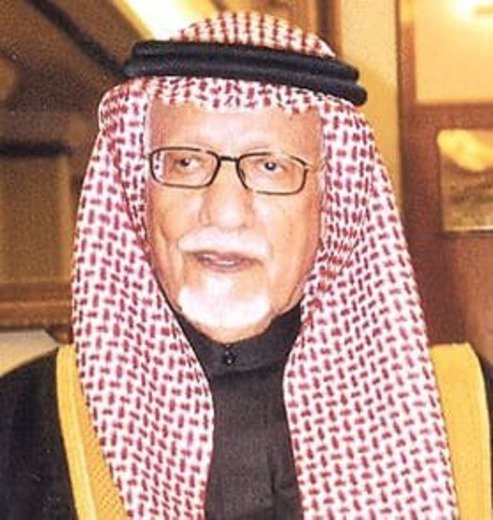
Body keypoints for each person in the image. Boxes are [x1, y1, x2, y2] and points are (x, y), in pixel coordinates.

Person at [0, 11, 490, 519]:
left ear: (331, 204)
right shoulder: (21, 426)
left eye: (271, 167)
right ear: (139, 195)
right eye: (185, 162)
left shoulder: (467, 417)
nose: (225, 211)